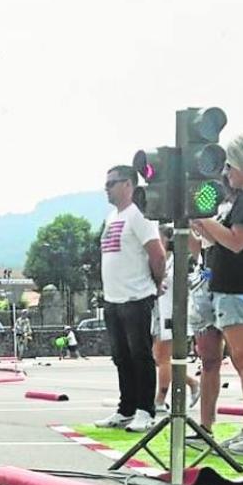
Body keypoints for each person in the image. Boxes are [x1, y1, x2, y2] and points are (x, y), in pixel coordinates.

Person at [191, 135, 243, 453]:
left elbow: (237, 241)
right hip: (236, 289)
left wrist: (205, 220)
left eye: (230, 165)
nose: (226, 173)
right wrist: (203, 223)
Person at [95, 164, 166, 432]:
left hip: (136, 297)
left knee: (140, 355)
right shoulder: (112, 216)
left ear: (128, 184)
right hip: (113, 299)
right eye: (106, 184)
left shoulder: (139, 216)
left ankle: (145, 410)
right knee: (121, 357)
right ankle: (126, 409)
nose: (107, 189)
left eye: (111, 183)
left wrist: (155, 283)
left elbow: (157, 254)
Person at [187, 179, 236, 446]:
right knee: (208, 359)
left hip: (234, 283)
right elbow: (199, 247)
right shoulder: (206, 202)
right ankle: (206, 425)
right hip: (206, 279)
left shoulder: (241, 205)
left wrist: (204, 223)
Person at [150, 228, 199, 411]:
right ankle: (192, 382)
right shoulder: (160, 263)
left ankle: (160, 400)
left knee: (164, 357)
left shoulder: (177, 263)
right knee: (160, 357)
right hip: (158, 312)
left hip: (171, 314)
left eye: (160, 238)